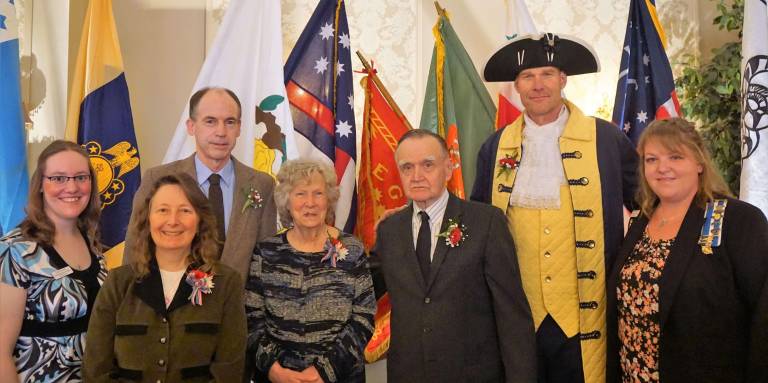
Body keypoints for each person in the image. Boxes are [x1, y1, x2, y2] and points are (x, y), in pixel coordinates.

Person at [473, 33, 638, 383]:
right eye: (528, 77)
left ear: (563, 79)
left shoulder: (606, 140)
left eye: (547, 73)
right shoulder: (495, 147)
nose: (538, 85)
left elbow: (647, 205)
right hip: (519, 317)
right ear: (516, 85)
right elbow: (478, 222)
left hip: (585, 317)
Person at [606, 118, 768, 382]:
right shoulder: (639, 219)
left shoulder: (738, 220)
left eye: (675, 157)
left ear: (699, 163)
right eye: (651, 159)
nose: (662, 168)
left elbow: (762, 315)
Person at [371, 129, 535, 382]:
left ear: (448, 169)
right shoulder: (388, 230)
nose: (417, 176)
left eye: (428, 165)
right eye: (407, 167)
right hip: (408, 374)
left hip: (473, 375)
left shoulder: (486, 223)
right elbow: (365, 289)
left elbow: (512, 315)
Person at [84, 173, 246, 382]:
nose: (173, 221)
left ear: (200, 220)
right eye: (163, 210)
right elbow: (96, 369)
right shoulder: (118, 282)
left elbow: (228, 371)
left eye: (185, 211)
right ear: (148, 219)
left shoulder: (226, 283)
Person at [124, 87, 277, 281]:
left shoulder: (262, 184)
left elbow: (266, 260)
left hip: (239, 307)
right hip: (172, 306)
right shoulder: (158, 178)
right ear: (191, 126)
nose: (221, 132)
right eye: (210, 121)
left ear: (239, 128)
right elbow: (135, 249)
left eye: (229, 122)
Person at [245, 159, 375, 383]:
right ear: (287, 201)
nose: (310, 203)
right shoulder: (266, 251)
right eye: (300, 194)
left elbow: (363, 318)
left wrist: (324, 371)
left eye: (318, 193)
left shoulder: (352, 249)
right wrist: (274, 369)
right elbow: (252, 319)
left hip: (341, 376)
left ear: (329, 199)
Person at [0, 140, 106, 382]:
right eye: (58, 178)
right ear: (40, 185)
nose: (72, 187)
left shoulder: (92, 241)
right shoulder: (15, 250)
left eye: (81, 177)